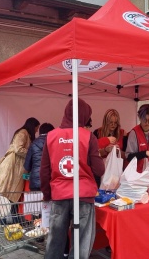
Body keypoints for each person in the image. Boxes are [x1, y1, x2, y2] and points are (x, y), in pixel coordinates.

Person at [40, 98, 105, 259]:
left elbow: (44, 171)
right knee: (81, 246)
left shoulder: (51, 136)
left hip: (59, 196)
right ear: (83, 115)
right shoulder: (88, 137)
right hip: (83, 197)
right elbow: (99, 169)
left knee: (54, 244)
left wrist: (48, 195)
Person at [0, 117, 40, 203]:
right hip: (12, 165)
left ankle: (7, 215)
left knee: (10, 194)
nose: (37, 131)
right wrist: (31, 154)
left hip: (16, 166)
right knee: (7, 194)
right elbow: (18, 149)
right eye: (36, 128)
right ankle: (3, 216)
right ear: (32, 126)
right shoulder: (23, 133)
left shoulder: (26, 134)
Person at [24, 122, 55, 191]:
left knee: (36, 202)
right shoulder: (54, 143)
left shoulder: (33, 144)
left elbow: (27, 166)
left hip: (35, 182)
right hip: (50, 182)